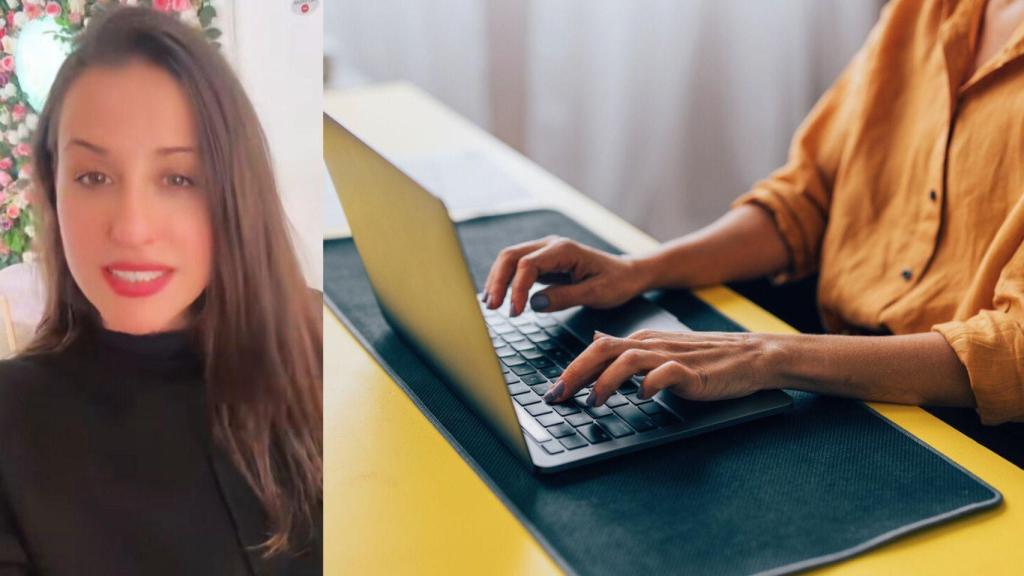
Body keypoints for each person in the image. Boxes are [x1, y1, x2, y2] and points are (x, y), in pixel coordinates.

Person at [483, 0, 1024, 425]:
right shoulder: (922, 11)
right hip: (838, 375)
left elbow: (1014, 350)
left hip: (970, 426)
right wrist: (639, 270)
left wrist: (766, 355)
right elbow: (807, 200)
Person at [0, 7, 322, 575]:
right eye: (93, 178)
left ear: (232, 192)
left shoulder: (325, 365)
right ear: (52, 191)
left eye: (178, 179)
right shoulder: (14, 427)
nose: (131, 228)